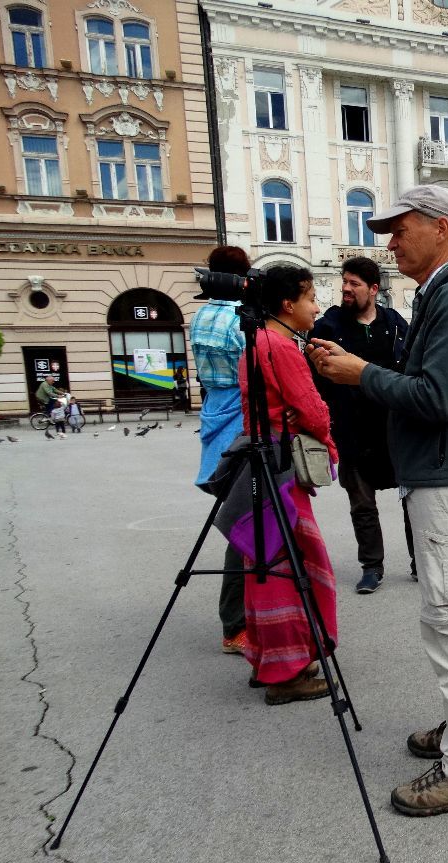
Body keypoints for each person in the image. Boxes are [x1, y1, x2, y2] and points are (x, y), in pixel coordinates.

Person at [308, 184, 448, 818]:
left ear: (442, 228)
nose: (389, 242)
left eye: (401, 229)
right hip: (443, 478)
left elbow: (437, 397)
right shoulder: (446, 294)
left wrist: (358, 374)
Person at [239, 265, 338, 705]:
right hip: (282, 471)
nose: (316, 306)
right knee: (292, 565)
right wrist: (319, 422)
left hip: (260, 466)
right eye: (311, 297)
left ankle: (271, 661)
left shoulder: (253, 343)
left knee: (264, 564)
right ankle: (288, 670)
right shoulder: (280, 346)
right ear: (287, 304)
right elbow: (314, 412)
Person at [310, 256, 415, 595]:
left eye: (354, 284)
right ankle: (372, 566)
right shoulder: (328, 326)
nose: (346, 289)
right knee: (362, 505)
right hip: (351, 430)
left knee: (412, 500)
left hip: (395, 429)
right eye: (344, 283)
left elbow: (411, 371)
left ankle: (420, 562)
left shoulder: (397, 325)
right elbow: (316, 378)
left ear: (373, 289)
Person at [190, 245, 252, 656]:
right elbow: (254, 369)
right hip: (239, 417)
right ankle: (235, 625)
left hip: (214, 411)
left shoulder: (201, 316)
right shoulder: (238, 320)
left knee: (240, 522)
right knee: (244, 526)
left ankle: (243, 617)